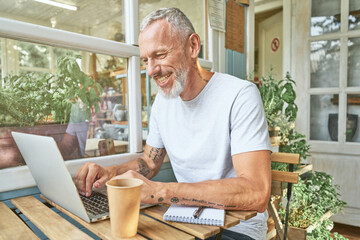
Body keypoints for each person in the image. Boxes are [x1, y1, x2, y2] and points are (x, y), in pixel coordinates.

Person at [74, 8, 271, 240]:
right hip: (186, 221)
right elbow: (149, 162)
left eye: (160, 55)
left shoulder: (240, 95)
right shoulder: (162, 103)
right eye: (146, 60)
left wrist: (159, 191)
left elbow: (256, 192)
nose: (151, 70)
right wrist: (109, 173)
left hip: (237, 228)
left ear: (193, 46)